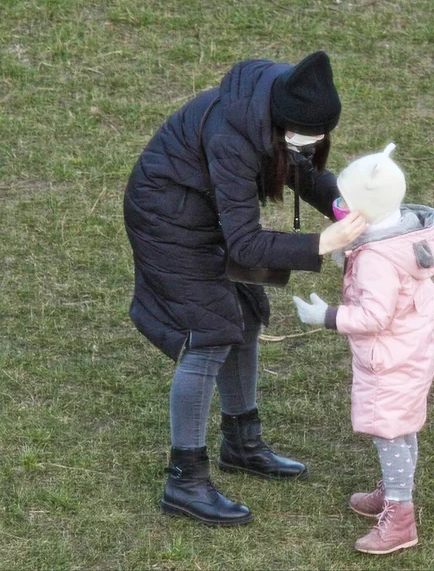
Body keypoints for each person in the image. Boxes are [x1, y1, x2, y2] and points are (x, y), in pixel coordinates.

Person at [123, 51, 366, 526]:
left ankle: (242, 444)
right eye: (305, 137)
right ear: (282, 121)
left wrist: (345, 208)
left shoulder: (277, 104)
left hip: (203, 211)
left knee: (246, 315)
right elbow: (246, 243)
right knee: (208, 335)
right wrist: (321, 243)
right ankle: (184, 480)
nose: (309, 145)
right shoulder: (231, 134)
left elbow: (302, 169)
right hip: (166, 221)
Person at [293, 143, 434, 554]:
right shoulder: (407, 235)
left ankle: (400, 515)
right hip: (409, 354)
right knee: (402, 426)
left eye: (347, 199)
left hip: (387, 363)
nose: (339, 204)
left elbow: (374, 316)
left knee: (388, 431)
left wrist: (326, 316)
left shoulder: (379, 257)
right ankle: (394, 490)